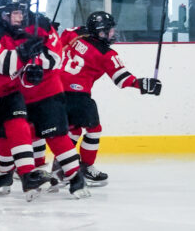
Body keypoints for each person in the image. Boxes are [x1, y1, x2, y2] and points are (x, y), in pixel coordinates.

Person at [60, 11, 161, 186]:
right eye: (109, 30)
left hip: (57, 89)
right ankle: (86, 167)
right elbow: (122, 80)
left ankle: (61, 166)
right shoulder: (107, 54)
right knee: (94, 129)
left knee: (73, 128)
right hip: (78, 95)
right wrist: (144, 84)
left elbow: (62, 38)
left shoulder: (75, 34)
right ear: (99, 32)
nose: (112, 33)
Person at [0, 0, 59, 201]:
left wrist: (35, 66)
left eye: (21, 12)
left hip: (12, 92)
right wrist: (26, 52)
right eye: (14, 13)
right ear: (3, 14)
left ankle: (25, 174)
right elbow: (4, 65)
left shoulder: (26, 32)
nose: (20, 17)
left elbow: (52, 60)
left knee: (18, 127)